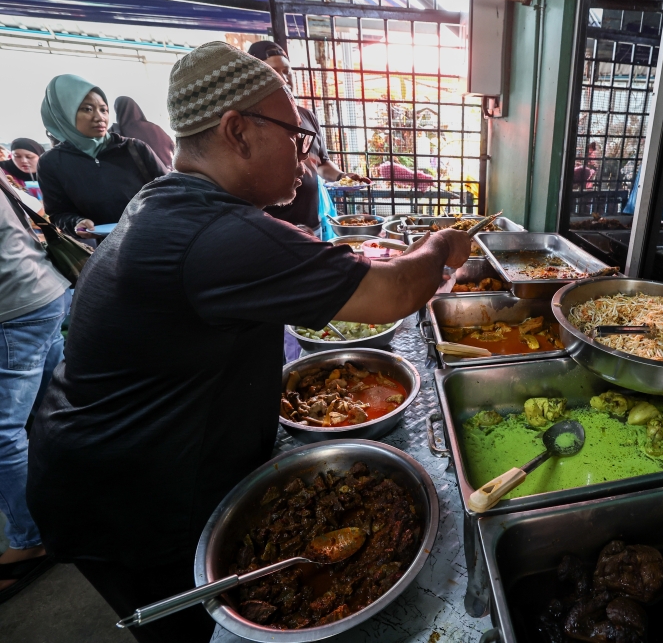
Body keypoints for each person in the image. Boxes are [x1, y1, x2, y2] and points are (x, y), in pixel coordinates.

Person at [26, 42, 470, 643]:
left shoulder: (172, 201)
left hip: (109, 469)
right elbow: (394, 292)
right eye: (295, 135)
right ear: (237, 131)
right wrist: (445, 243)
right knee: (191, 627)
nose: (304, 154)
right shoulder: (214, 231)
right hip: (127, 494)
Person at [0, 171, 70, 604]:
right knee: (55, 407)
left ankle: (31, 538)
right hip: (42, 292)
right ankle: (71, 501)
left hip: (15, 307)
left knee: (4, 434)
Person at [246, 41, 369, 233]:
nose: (284, 79)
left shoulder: (306, 116)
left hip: (312, 225)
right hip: (273, 231)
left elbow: (321, 163)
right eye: (273, 72)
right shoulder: (251, 122)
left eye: (287, 71)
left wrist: (342, 177)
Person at [36, 75, 168, 238]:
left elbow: (170, 189)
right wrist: (77, 224)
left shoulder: (134, 148)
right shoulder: (51, 163)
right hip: (104, 249)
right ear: (63, 114)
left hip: (155, 236)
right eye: (87, 109)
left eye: (103, 109)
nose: (100, 118)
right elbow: (59, 213)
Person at [111, 96, 175, 170]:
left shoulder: (117, 132)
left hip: (141, 177)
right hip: (166, 171)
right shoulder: (153, 127)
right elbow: (169, 144)